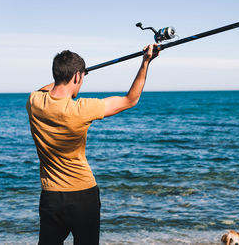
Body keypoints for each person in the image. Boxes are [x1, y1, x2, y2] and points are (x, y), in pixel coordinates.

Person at [26, 44, 159, 244]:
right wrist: (145, 62)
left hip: (50, 195)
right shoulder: (82, 108)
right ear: (78, 77)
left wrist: (67, 76)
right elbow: (130, 100)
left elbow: (47, 89)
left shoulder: (34, 102)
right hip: (83, 195)